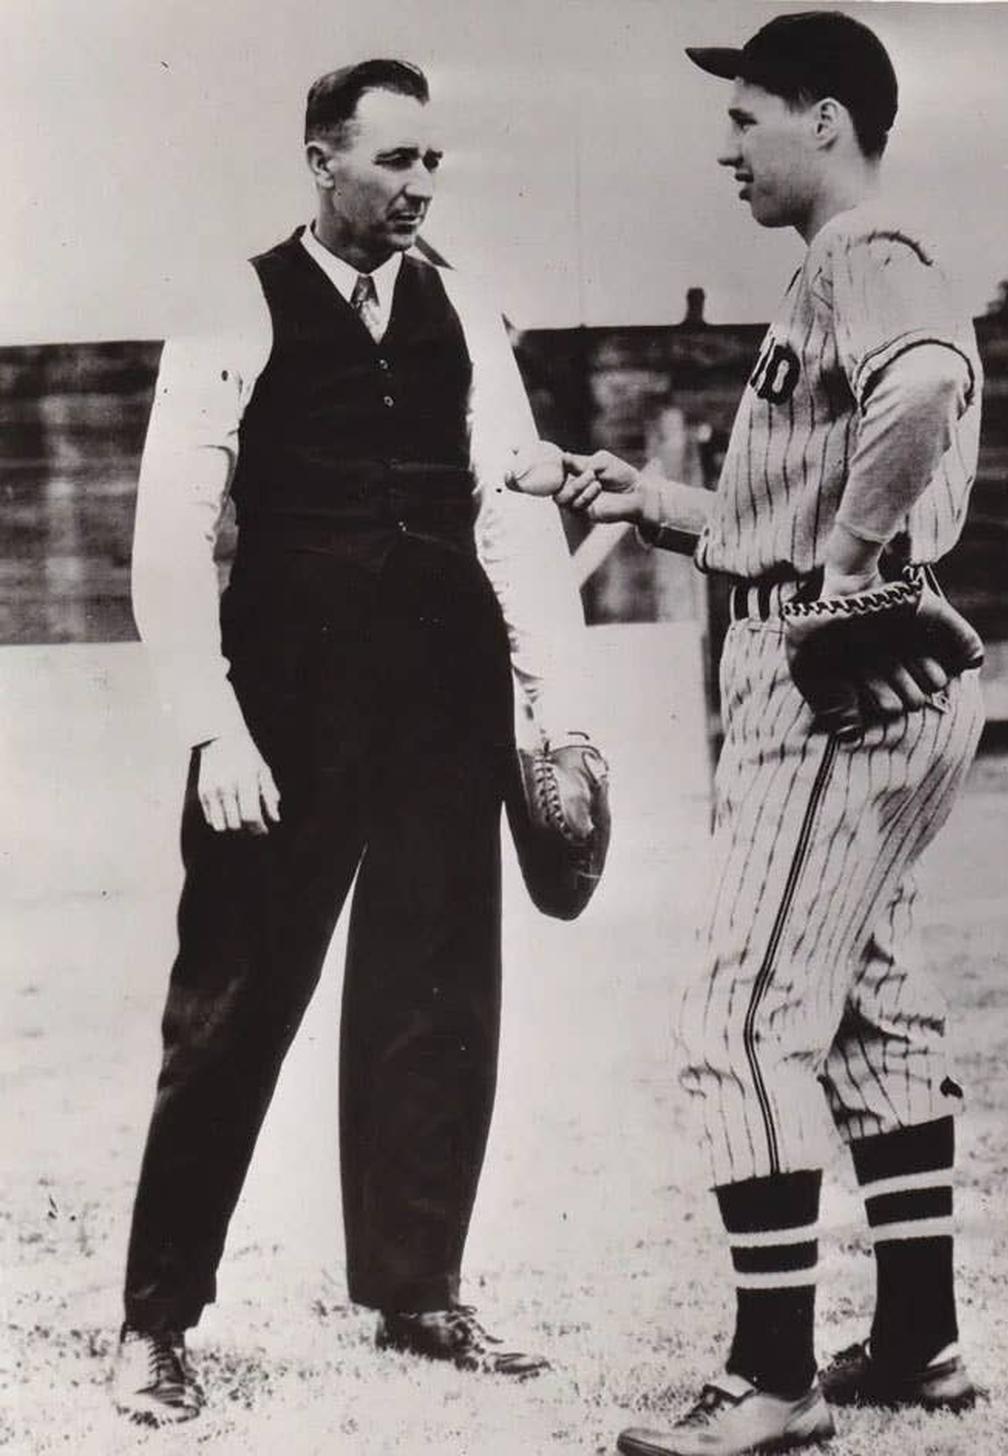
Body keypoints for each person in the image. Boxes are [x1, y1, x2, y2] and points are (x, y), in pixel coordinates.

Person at [513, 12, 985, 1454]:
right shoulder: (847, 267)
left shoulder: (863, 254)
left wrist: (843, 568)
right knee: (866, 1001)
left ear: (825, 119)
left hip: (834, 673)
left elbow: (924, 386)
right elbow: (792, 504)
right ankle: (918, 1342)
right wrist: (650, 501)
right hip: (875, 661)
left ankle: (770, 1382)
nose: (725, 145)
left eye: (746, 115)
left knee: (742, 1017)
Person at [114, 57, 590, 1426]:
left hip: (445, 701)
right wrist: (216, 733)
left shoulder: (463, 307)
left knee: (436, 995)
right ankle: (156, 1323)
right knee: (233, 1004)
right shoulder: (233, 301)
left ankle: (416, 1288)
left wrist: (552, 708)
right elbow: (169, 536)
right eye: (393, 160)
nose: (419, 184)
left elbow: (511, 518)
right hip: (287, 706)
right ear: (322, 161)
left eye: (433, 160)